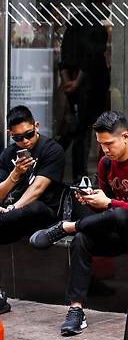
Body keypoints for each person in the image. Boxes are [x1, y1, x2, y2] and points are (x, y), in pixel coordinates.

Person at [29, 110, 128, 336]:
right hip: (118, 232)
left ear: (125, 137)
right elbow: (105, 207)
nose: (105, 150)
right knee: (82, 239)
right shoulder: (106, 164)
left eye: (109, 143)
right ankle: (76, 310)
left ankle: (67, 226)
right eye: (101, 144)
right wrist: (90, 200)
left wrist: (108, 203)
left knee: (119, 214)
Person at [0, 106, 66, 315]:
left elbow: (38, 190)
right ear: (11, 136)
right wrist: (15, 174)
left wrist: (11, 209)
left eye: (29, 134)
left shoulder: (51, 149)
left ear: (36, 126)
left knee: (34, 207)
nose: (25, 141)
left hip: (45, 214)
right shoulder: (8, 155)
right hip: (14, 218)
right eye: (18, 138)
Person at [57, 0, 111, 182]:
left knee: (75, 129)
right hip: (91, 85)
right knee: (84, 130)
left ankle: (76, 173)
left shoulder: (74, 21)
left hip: (73, 84)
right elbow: (90, 58)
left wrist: (67, 82)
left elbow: (64, 55)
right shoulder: (95, 25)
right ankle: (80, 175)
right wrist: (77, 81)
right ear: (100, 2)